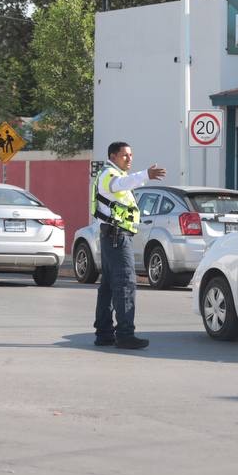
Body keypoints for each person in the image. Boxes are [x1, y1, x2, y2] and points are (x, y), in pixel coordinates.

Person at [91, 141, 165, 350]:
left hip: (113, 237)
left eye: (131, 155)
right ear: (113, 156)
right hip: (116, 237)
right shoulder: (109, 175)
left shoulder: (112, 174)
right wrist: (145, 175)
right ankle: (125, 334)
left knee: (108, 287)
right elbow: (119, 185)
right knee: (125, 284)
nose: (129, 159)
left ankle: (104, 333)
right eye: (125, 155)